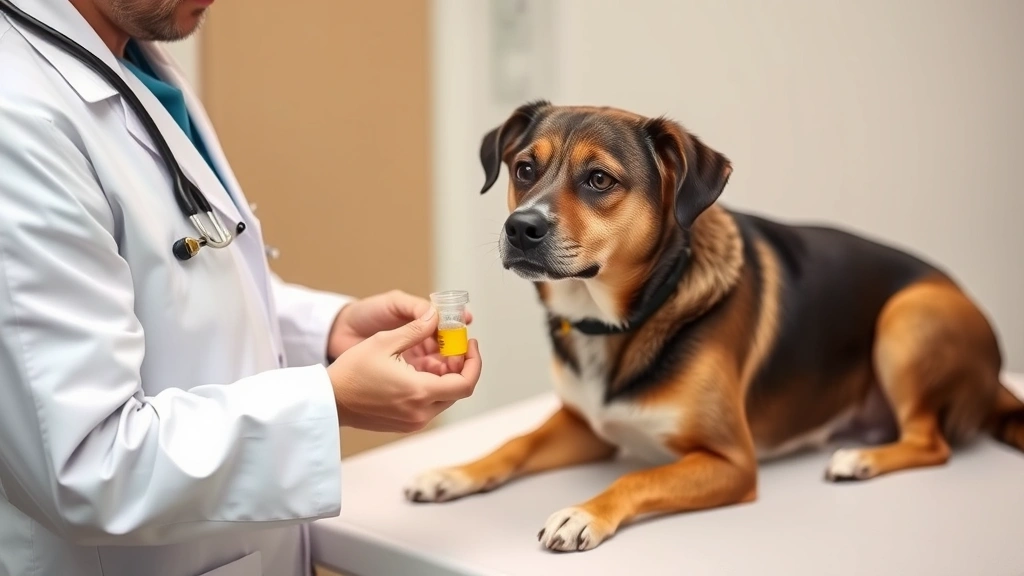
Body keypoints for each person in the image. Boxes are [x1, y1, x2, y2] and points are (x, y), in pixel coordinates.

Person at [0, 0, 482, 575]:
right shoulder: (20, 118)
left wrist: (328, 330)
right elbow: (86, 466)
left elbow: (182, 288)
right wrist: (330, 400)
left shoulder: (138, 61)